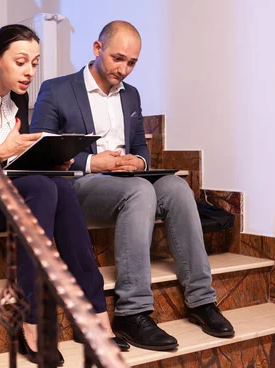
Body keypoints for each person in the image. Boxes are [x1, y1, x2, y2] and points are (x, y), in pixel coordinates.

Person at [30, 20, 235, 351]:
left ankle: (200, 299)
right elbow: (39, 151)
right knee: (140, 191)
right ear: (97, 49)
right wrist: (92, 162)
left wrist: (138, 163)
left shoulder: (131, 95)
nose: (123, 69)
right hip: (79, 188)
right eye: (117, 58)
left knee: (178, 188)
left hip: (124, 181)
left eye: (132, 63)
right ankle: (132, 312)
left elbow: (141, 148)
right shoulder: (57, 89)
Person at [0, 24, 129, 366]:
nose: (29, 72)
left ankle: (95, 312)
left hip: (10, 190)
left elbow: (15, 165)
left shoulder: (18, 97)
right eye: (21, 62)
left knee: (58, 185)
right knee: (42, 187)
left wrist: (51, 158)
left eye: (35, 63)